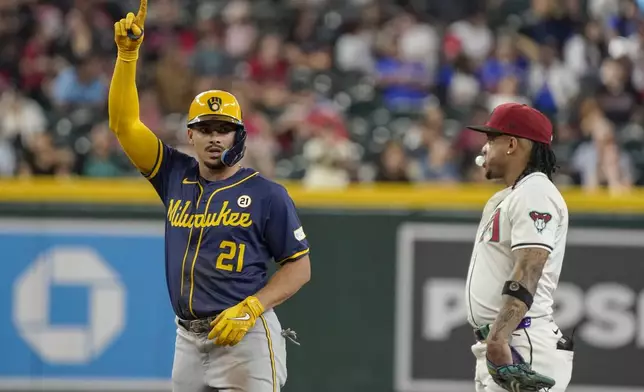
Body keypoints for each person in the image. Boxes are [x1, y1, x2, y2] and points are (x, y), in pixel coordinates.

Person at [107, 2, 312, 391]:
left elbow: (299, 268)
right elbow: (124, 124)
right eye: (205, 129)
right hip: (187, 337)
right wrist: (127, 56)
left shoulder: (267, 194)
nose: (215, 137)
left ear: (239, 135)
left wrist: (253, 308)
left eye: (224, 128)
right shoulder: (173, 174)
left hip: (245, 336)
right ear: (190, 136)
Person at [464, 103, 574, 392]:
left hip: (520, 342)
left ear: (512, 143)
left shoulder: (535, 191)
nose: (484, 148)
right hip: (508, 341)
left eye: (491, 139)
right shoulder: (513, 195)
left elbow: (530, 265)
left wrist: (499, 337)